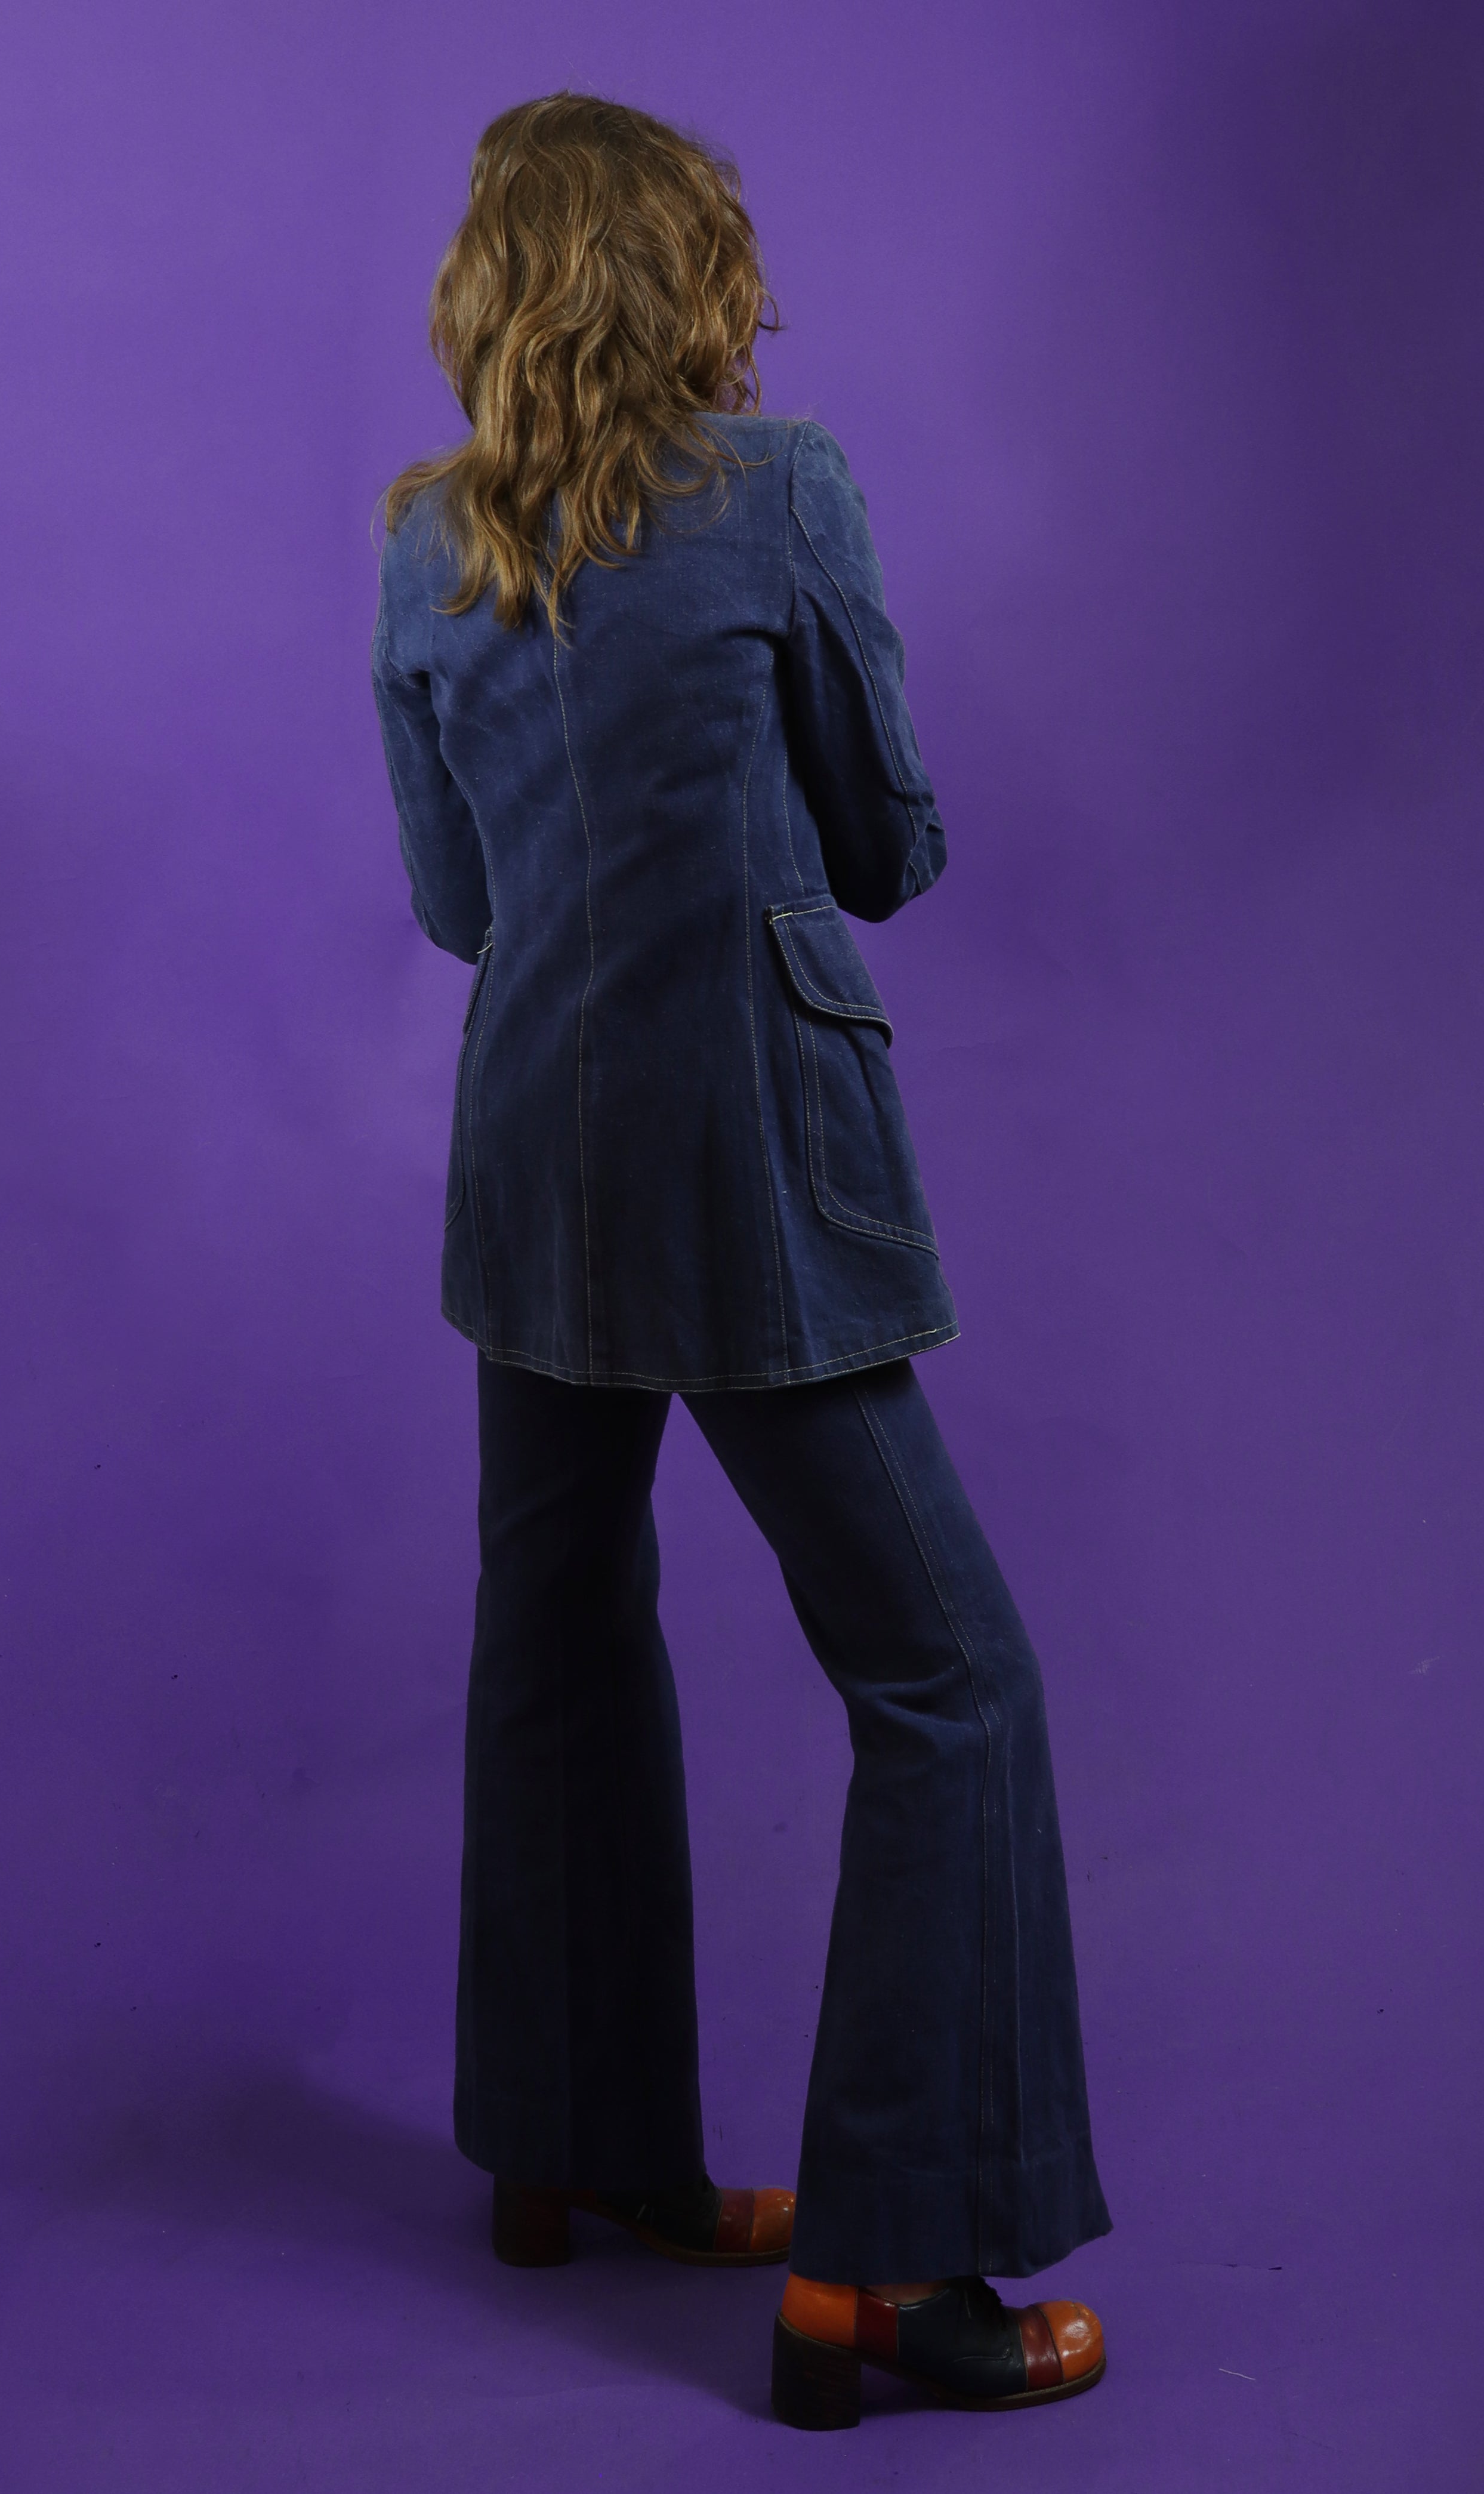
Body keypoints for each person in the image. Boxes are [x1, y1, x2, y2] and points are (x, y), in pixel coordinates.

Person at [371, 91, 1111, 2429]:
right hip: (751, 1155)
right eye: (729, 263)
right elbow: (883, 846)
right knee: (949, 1683)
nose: (757, 305)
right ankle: (890, 2274)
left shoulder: (424, 538)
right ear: (682, 278)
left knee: (557, 1632)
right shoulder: (783, 490)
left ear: (501, 288)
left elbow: (457, 904)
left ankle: (569, 2150)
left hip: (532, 1161)